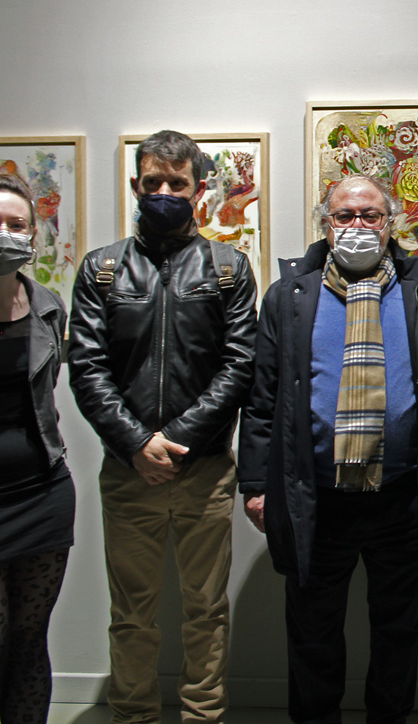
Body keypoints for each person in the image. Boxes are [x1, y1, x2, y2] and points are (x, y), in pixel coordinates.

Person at [239, 173, 418, 724]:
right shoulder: (288, 297)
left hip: (402, 498)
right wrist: (255, 484)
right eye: (345, 216)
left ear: (390, 224)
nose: (358, 226)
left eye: (370, 215)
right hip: (315, 499)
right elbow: (262, 396)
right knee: (312, 633)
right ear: (326, 224)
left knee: (399, 632)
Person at [68, 130, 257, 724]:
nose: (165, 193)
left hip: (205, 471)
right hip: (129, 472)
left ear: (199, 190)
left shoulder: (228, 267)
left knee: (207, 612)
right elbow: (87, 366)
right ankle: (133, 716)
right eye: (154, 182)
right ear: (136, 186)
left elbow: (240, 364)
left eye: (178, 183)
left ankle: (204, 715)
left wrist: (177, 441)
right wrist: (135, 443)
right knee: (131, 616)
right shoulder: (101, 269)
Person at [0, 173, 74, 724]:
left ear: (32, 235)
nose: (2, 233)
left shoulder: (47, 307)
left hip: (41, 493)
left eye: (15, 224)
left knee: (28, 645)